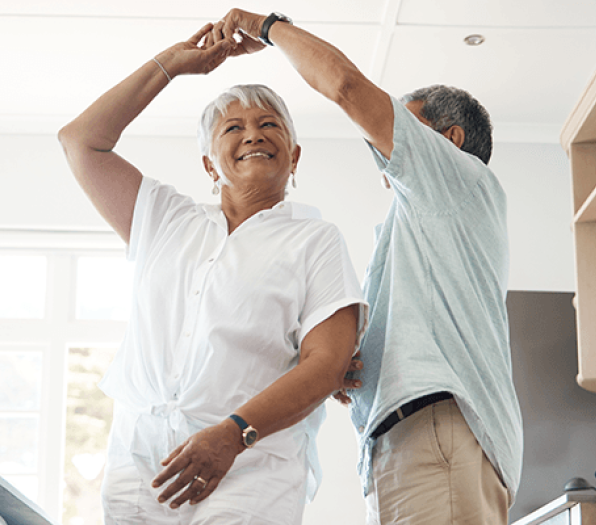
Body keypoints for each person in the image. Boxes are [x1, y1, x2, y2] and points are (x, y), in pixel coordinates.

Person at [209, 10, 524, 525]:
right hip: (412, 439)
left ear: (449, 141)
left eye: (405, 125)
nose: (381, 148)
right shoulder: (423, 225)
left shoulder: (458, 180)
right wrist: (355, 362)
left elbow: (348, 88)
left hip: (435, 433)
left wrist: (267, 26)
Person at [58, 23, 368, 525]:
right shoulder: (163, 217)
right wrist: (175, 65)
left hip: (252, 470)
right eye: (233, 128)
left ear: (294, 157)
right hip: (141, 468)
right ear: (209, 164)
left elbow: (327, 363)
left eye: (271, 125)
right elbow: (80, 141)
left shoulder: (315, 240)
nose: (253, 134)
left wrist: (233, 434)